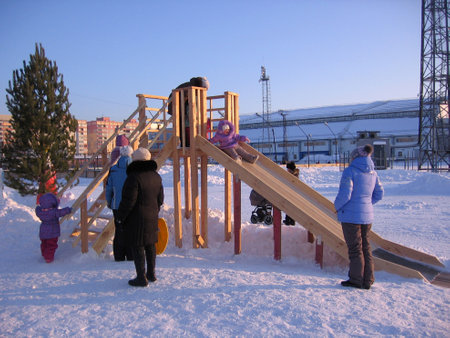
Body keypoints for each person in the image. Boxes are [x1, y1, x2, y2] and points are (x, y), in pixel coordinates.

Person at [334, 144, 384, 290]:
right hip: (367, 216)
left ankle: (356, 279)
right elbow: (379, 194)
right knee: (366, 247)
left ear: (355, 157)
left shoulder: (350, 171)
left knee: (355, 249)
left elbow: (345, 194)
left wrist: (337, 207)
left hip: (351, 217)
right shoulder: (373, 173)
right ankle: (368, 279)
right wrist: (367, 204)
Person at [116, 148, 164, 287]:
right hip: (152, 216)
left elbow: (128, 201)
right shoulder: (156, 176)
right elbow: (160, 198)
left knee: (138, 246)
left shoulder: (133, 177)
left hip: (137, 218)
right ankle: (151, 274)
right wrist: (154, 210)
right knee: (150, 245)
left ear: (135, 160)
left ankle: (141, 278)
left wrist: (120, 216)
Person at [105, 145, 134, 261]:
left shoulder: (113, 170)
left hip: (117, 205)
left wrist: (109, 201)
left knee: (119, 230)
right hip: (131, 205)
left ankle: (119, 255)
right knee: (131, 230)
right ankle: (131, 254)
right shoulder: (134, 170)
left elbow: (109, 188)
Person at [167, 77, 210, 147]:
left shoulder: (191, 87)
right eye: (205, 89)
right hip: (176, 105)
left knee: (181, 125)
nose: (204, 92)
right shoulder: (191, 89)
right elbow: (190, 108)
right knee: (181, 125)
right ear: (202, 86)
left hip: (178, 105)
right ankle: (185, 144)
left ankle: (185, 144)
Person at [35, 192, 72, 263]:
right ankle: (48, 257)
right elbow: (62, 212)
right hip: (52, 233)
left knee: (44, 244)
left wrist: (39, 207)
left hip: (43, 232)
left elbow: (37, 209)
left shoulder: (40, 212)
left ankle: (44, 254)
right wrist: (68, 210)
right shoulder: (54, 212)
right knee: (51, 245)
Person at [283, 161, 299, 225]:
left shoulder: (293, 176)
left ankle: (290, 220)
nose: (287, 170)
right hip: (291, 193)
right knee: (289, 207)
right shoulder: (293, 174)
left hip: (292, 194)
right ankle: (289, 220)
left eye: (288, 169)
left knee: (290, 207)